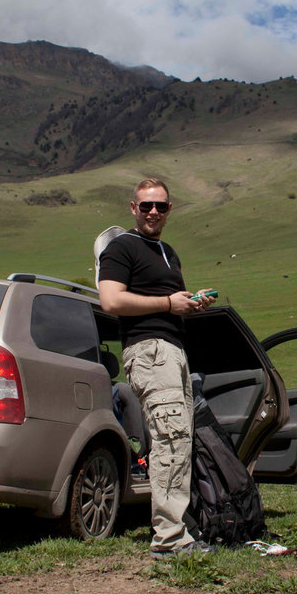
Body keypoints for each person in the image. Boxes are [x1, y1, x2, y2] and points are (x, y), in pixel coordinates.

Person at [97, 178, 217, 559]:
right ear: (133, 208)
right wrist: (168, 304)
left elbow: (165, 300)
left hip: (174, 350)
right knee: (169, 439)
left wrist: (187, 304)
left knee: (179, 439)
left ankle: (178, 531)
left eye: (161, 206)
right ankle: (168, 541)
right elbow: (111, 301)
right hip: (149, 351)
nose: (153, 212)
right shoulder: (121, 248)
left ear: (169, 210)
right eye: (146, 205)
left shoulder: (168, 252)